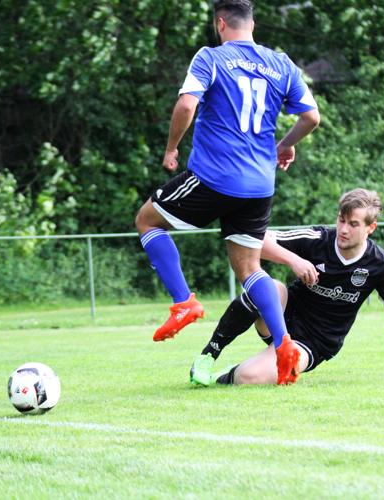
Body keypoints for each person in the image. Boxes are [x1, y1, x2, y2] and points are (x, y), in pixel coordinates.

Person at [134, 0, 320, 384]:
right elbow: (311, 117)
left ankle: (184, 302)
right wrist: (283, 145)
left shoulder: (212, 57)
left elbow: (187, 104)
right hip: (258, 185)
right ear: (251, 25)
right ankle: (284, 344)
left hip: (214, 177)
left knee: (147, 219)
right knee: (250, 269)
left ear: (221, 24)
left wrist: (171, 149)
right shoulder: (281, 64)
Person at [189, 188, 384, 386]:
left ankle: (226, 375)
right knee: (266, 287)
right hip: (281, 318)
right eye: (341, 220)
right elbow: (258, 241)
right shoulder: (318, 238)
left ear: (371, 227)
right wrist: (293, 260)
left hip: (313, 343)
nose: (344, 229)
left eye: (353, 224)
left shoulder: (380, 263)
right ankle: (208, 356)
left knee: (250, 377)